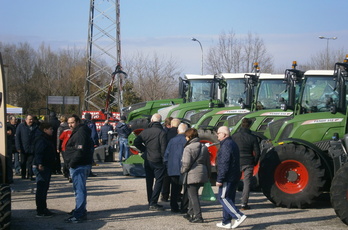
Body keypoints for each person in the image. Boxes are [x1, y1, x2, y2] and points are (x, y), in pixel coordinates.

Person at [134, 113, 167, 211]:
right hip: (158, 160)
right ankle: (154, 202)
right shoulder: (162, 132)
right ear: (160, 121)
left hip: (148, 159)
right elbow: (163, 148)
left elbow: (136, 142)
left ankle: (150, 201)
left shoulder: (145, 132)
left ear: (152, 121)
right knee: (159, 181)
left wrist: (145, 150)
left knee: (149, 181)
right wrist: (163, 159)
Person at [215, 126, 247, 229]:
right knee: (229, 199)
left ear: (224, 134)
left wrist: (220, 179)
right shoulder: (232, 143)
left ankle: (238, 216)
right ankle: (226, 221)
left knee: (223, 197)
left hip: (228, 177)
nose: (217, 135)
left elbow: (224, 163)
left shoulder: (226, 145)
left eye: (219, 133)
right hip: (233, 176)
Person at [64, 114, 94, 223]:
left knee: (79, 190)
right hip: (78, 164)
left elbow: (80, 150)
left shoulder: (81, 133)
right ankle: (80, 209)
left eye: (72, 122)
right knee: (78, 190)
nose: (70, 125)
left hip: (79, 165)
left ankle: (79, 214)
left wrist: (71, 163)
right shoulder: (79, 131)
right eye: (69, 123)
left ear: (78, 122)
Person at [181, 128, 210, 223]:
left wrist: (182, 171)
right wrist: (208, 174)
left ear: (189, 137)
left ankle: (198, 216)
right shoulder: (203, 147)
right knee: (193, 194)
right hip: (202, 172)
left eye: (186, 136)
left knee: (193, 196)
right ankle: (190, 213)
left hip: (192, 173)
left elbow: (186, 163)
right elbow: (208, 162)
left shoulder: (188, 148)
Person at [232, 118, 260, 210]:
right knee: (247, 183)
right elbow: (257, 152)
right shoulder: (252, 137)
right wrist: (254, 161)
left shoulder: (234, 136)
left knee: (234, 182)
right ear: (250, 125)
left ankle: (231, 201)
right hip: (248, 161)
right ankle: (244, 204)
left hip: (236, 161)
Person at [32, 122, 56, 217]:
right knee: (41, 188)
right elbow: (38, 152)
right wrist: (39, 163)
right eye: (50, 129)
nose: (52, 131)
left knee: (44, 188)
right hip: (42, 166)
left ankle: (43, 208)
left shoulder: (46, 138)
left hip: (47, 165)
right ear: (45, 130)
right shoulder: (41, 139)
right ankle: (41, 210)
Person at [163, 123, 188, 213]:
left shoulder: (172, 140)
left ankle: (174, 206)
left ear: (178, 130)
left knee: (174, 187)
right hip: (184, 167)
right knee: (186, 188)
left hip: (172, 167)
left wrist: (167, 165)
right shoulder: (186, 141)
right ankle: (184, 207)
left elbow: (166, 154)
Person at [161, 118, 180, 202]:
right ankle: (177, 195)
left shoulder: (165, 133)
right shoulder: (180, 134)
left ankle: (164, 195)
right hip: (178, 158)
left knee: (166, 178)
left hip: (168, 158)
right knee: (177, 178)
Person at [15, 114, 39, 180]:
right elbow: (17, 137)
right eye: (29, 119)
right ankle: (23, 175)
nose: (31, 121)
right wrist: (18, 147)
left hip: (32, 148)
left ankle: (30, 175)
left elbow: (38, 137)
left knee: (30, 163)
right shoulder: (21, 126)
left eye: (32, 119)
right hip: (23, 148)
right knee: (23, 162)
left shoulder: (35, 126)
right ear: (26, 120)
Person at [57, 115, 72, 181]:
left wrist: (58, 147)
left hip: (64, 146)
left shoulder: (61, 128)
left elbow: (59, 139)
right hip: (71, 146)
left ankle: (66, 172)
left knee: (65, 160)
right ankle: (68, 172)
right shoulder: (70, 127)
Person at [84, 113, 98, 177]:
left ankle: (84, 171)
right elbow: (94, 134)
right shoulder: (92, 124)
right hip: (90, 142)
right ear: (90, 117)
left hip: (83, 141)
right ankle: (88, 171)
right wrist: (95, 142)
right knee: (90, 157)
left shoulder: (82, 123)